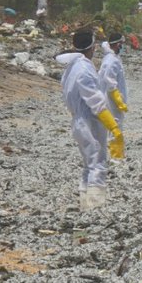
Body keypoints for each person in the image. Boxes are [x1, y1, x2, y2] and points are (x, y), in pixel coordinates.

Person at [54, 29, 124, 210]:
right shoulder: (84, 69)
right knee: (97, 163)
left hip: (78, 120)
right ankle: (94, 205)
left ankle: (84, 202)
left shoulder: (72, 67)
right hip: (90, 120)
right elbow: (97, 101)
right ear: (91, 47)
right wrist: (114, 128)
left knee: (88, 163)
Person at [99, 31, 130, 160]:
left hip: (108, 97)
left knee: (111, 127)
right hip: (111, 99)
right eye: (122, 44)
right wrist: (118, 99)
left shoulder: (110, 58)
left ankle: (114, 155)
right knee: (115, 127)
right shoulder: (112, 61)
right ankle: (116, 157)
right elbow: (110, 80)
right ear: (117, 45)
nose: (123, 47)